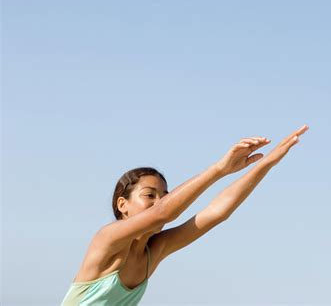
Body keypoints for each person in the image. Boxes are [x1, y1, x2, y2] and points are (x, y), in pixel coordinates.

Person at [61, 124, 310, 305]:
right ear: (122, 204)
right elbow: (163, 213)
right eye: (150, 195)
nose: (160, 200)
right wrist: (219, 169)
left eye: (165, 194)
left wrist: (266, 164)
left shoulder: (155, 250)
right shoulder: (107, 240)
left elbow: (215, 213)